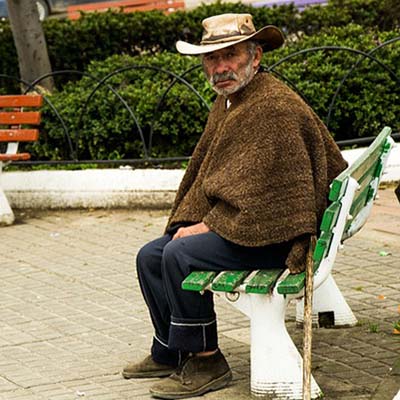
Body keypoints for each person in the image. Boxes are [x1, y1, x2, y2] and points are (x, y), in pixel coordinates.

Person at [122, 13, 348, 399]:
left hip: (277, 232)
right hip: (253, 224)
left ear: (255, 57)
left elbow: (264, 195)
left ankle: (207, 359)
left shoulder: (270, 106)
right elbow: (220, 175)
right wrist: (202, 219)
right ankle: (170, 350)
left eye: (231, 55)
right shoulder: (233, 100)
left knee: (179, 254)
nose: (221, 67)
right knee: (150, 256)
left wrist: (206, 225)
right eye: (212, 59)